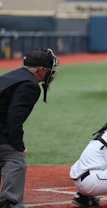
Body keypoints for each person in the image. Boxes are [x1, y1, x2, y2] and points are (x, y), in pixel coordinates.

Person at [0, 48, 59, 208]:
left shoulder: (12, 76)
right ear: (41, 70)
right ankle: (10, 202)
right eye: (49, 70)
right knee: (15, 159)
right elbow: (14, 119)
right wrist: (18, 146)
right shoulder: (29, 85)